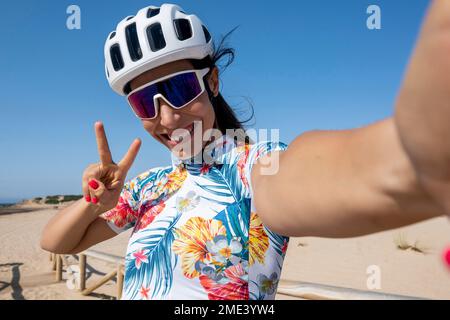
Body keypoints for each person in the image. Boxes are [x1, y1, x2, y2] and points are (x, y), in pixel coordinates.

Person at [41, 2, 450, 300]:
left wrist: (408, 162)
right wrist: (93, 203)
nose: (166, 119)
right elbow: (56, 243)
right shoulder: (149, 186)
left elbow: (298, 180)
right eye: (145, 103)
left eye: (181, 89)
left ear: (212, 82)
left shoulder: (253, 162)